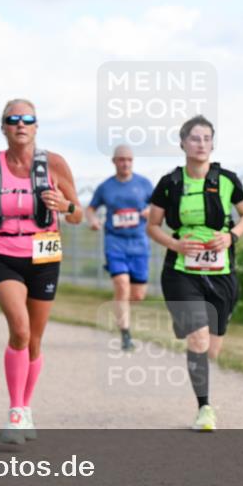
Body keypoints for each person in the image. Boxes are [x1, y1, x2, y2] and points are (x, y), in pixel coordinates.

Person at [0, 99, 83, 444]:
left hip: (44, 255)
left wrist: (65, 205)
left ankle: (26, 408)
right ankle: (15, 412)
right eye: (13, 119)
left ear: (36, 127)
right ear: (3, 128)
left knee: (34, 340)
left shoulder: (54, 164)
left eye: (27, 119)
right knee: (19, 330)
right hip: (4, 252)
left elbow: (78, 214)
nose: (20, 124)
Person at [147, 115, 243, 432]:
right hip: (181, 271)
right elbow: (152, 225)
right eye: (195, 138)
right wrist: (175, 244)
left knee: (212, 348)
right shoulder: (170, 183)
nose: (201, 144)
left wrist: (231, 236)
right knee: (198, 337)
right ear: (182, 143)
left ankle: (202, 382)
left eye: (207, 138)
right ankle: (204, 407)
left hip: (221, 271)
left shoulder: (227, 180)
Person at [85, 144, 155, 351]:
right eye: (121, 159)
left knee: (137, 295)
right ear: (114, 161)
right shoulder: (106, 187)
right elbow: (90, 209)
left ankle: (119, 306)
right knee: (122, 285)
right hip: (115, 243)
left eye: (129, 160)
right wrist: (93, 221)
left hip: (139, 244)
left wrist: (150, 211)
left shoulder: (144, 184)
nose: (125, 163)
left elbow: (159, 207)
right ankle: (125, 335)